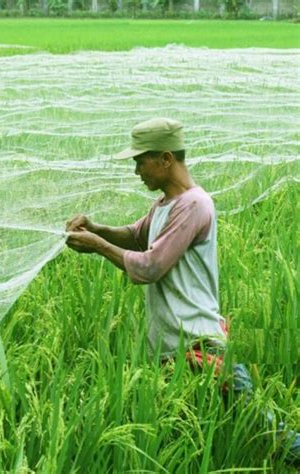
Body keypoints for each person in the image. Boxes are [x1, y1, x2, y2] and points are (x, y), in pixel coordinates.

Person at [65, 117, 299, 466]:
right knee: (187, 434)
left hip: (199, 344)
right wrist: (98, 229)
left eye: (140, 161)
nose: (136, 171)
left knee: (264, 431)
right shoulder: (164, 205)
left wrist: (97, 245)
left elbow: (151, 266)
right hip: (172, 350)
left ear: (166, 159)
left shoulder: (194, 205)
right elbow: (137, 236)